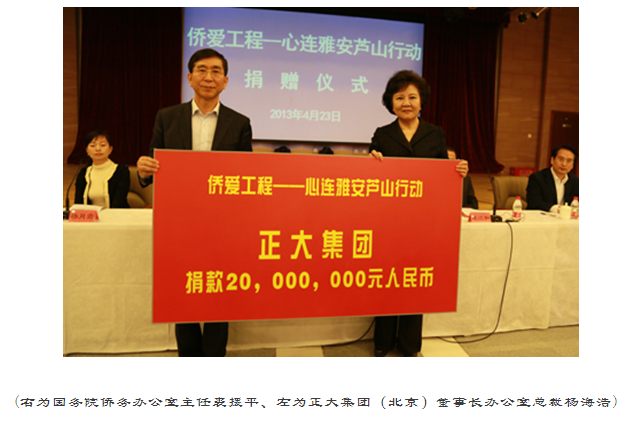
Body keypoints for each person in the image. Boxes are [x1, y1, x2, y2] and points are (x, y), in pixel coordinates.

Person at [136, 48, 252, 357]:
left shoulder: (240, 122)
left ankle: (214, 354)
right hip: (179, 220)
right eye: (201, 70)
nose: (208, 77)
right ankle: (188, 354)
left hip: (223, 223)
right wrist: (144, 170)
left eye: (216, 71)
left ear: (225, 81)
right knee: (182, 287)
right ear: (190, 78)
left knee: (219, 287)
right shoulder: (167, 117)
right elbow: (153, 164)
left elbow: (246, 176)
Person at [369, 70, 468, 357]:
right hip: (389, 220)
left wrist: (459, 170)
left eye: (412, 97)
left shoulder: (435, 134)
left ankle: (409, 344)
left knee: (414, 279)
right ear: (391, 103)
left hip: (423, 222)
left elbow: (444, 175)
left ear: (421, 101)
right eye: (399, 98)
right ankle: (383, 341)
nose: (406, 103)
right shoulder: (382, 134)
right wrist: (371, 160)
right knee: (387, 278)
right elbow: (371, 174)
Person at [74, 130, 130, 208]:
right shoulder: (84, 173)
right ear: (87, 150)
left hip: (116, 214)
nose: (98, 149)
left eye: (103, 145)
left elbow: (119, 202)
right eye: (92, 146)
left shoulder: (121, 171)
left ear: (110, 149)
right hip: (91, 215)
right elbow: (78, 203)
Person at [526, 145, 578, 212]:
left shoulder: (575, 181)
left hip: (565, 217)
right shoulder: (537, 178)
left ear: (573, 165)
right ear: (552, 160)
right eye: (561, 159)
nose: (564, 164)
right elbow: (534, 202)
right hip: (541, 216)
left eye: (569, 161)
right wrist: (557, 209)